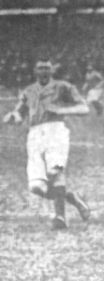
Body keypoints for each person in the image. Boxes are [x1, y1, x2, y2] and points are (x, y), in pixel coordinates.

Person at [3, 58, 91, 230]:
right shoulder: (28, 91)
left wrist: (61, 110)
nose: (43, 71)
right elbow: (20, 113)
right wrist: (13, 117)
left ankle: (60, 217)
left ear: (52, 70)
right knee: (36, 186)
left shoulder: (63, 86)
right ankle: (72, 198)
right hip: (34, 135)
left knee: (54, 172)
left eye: (47, 68)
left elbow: (84, 108)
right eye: (40, 68)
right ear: (35, 70)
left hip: (56, 131)